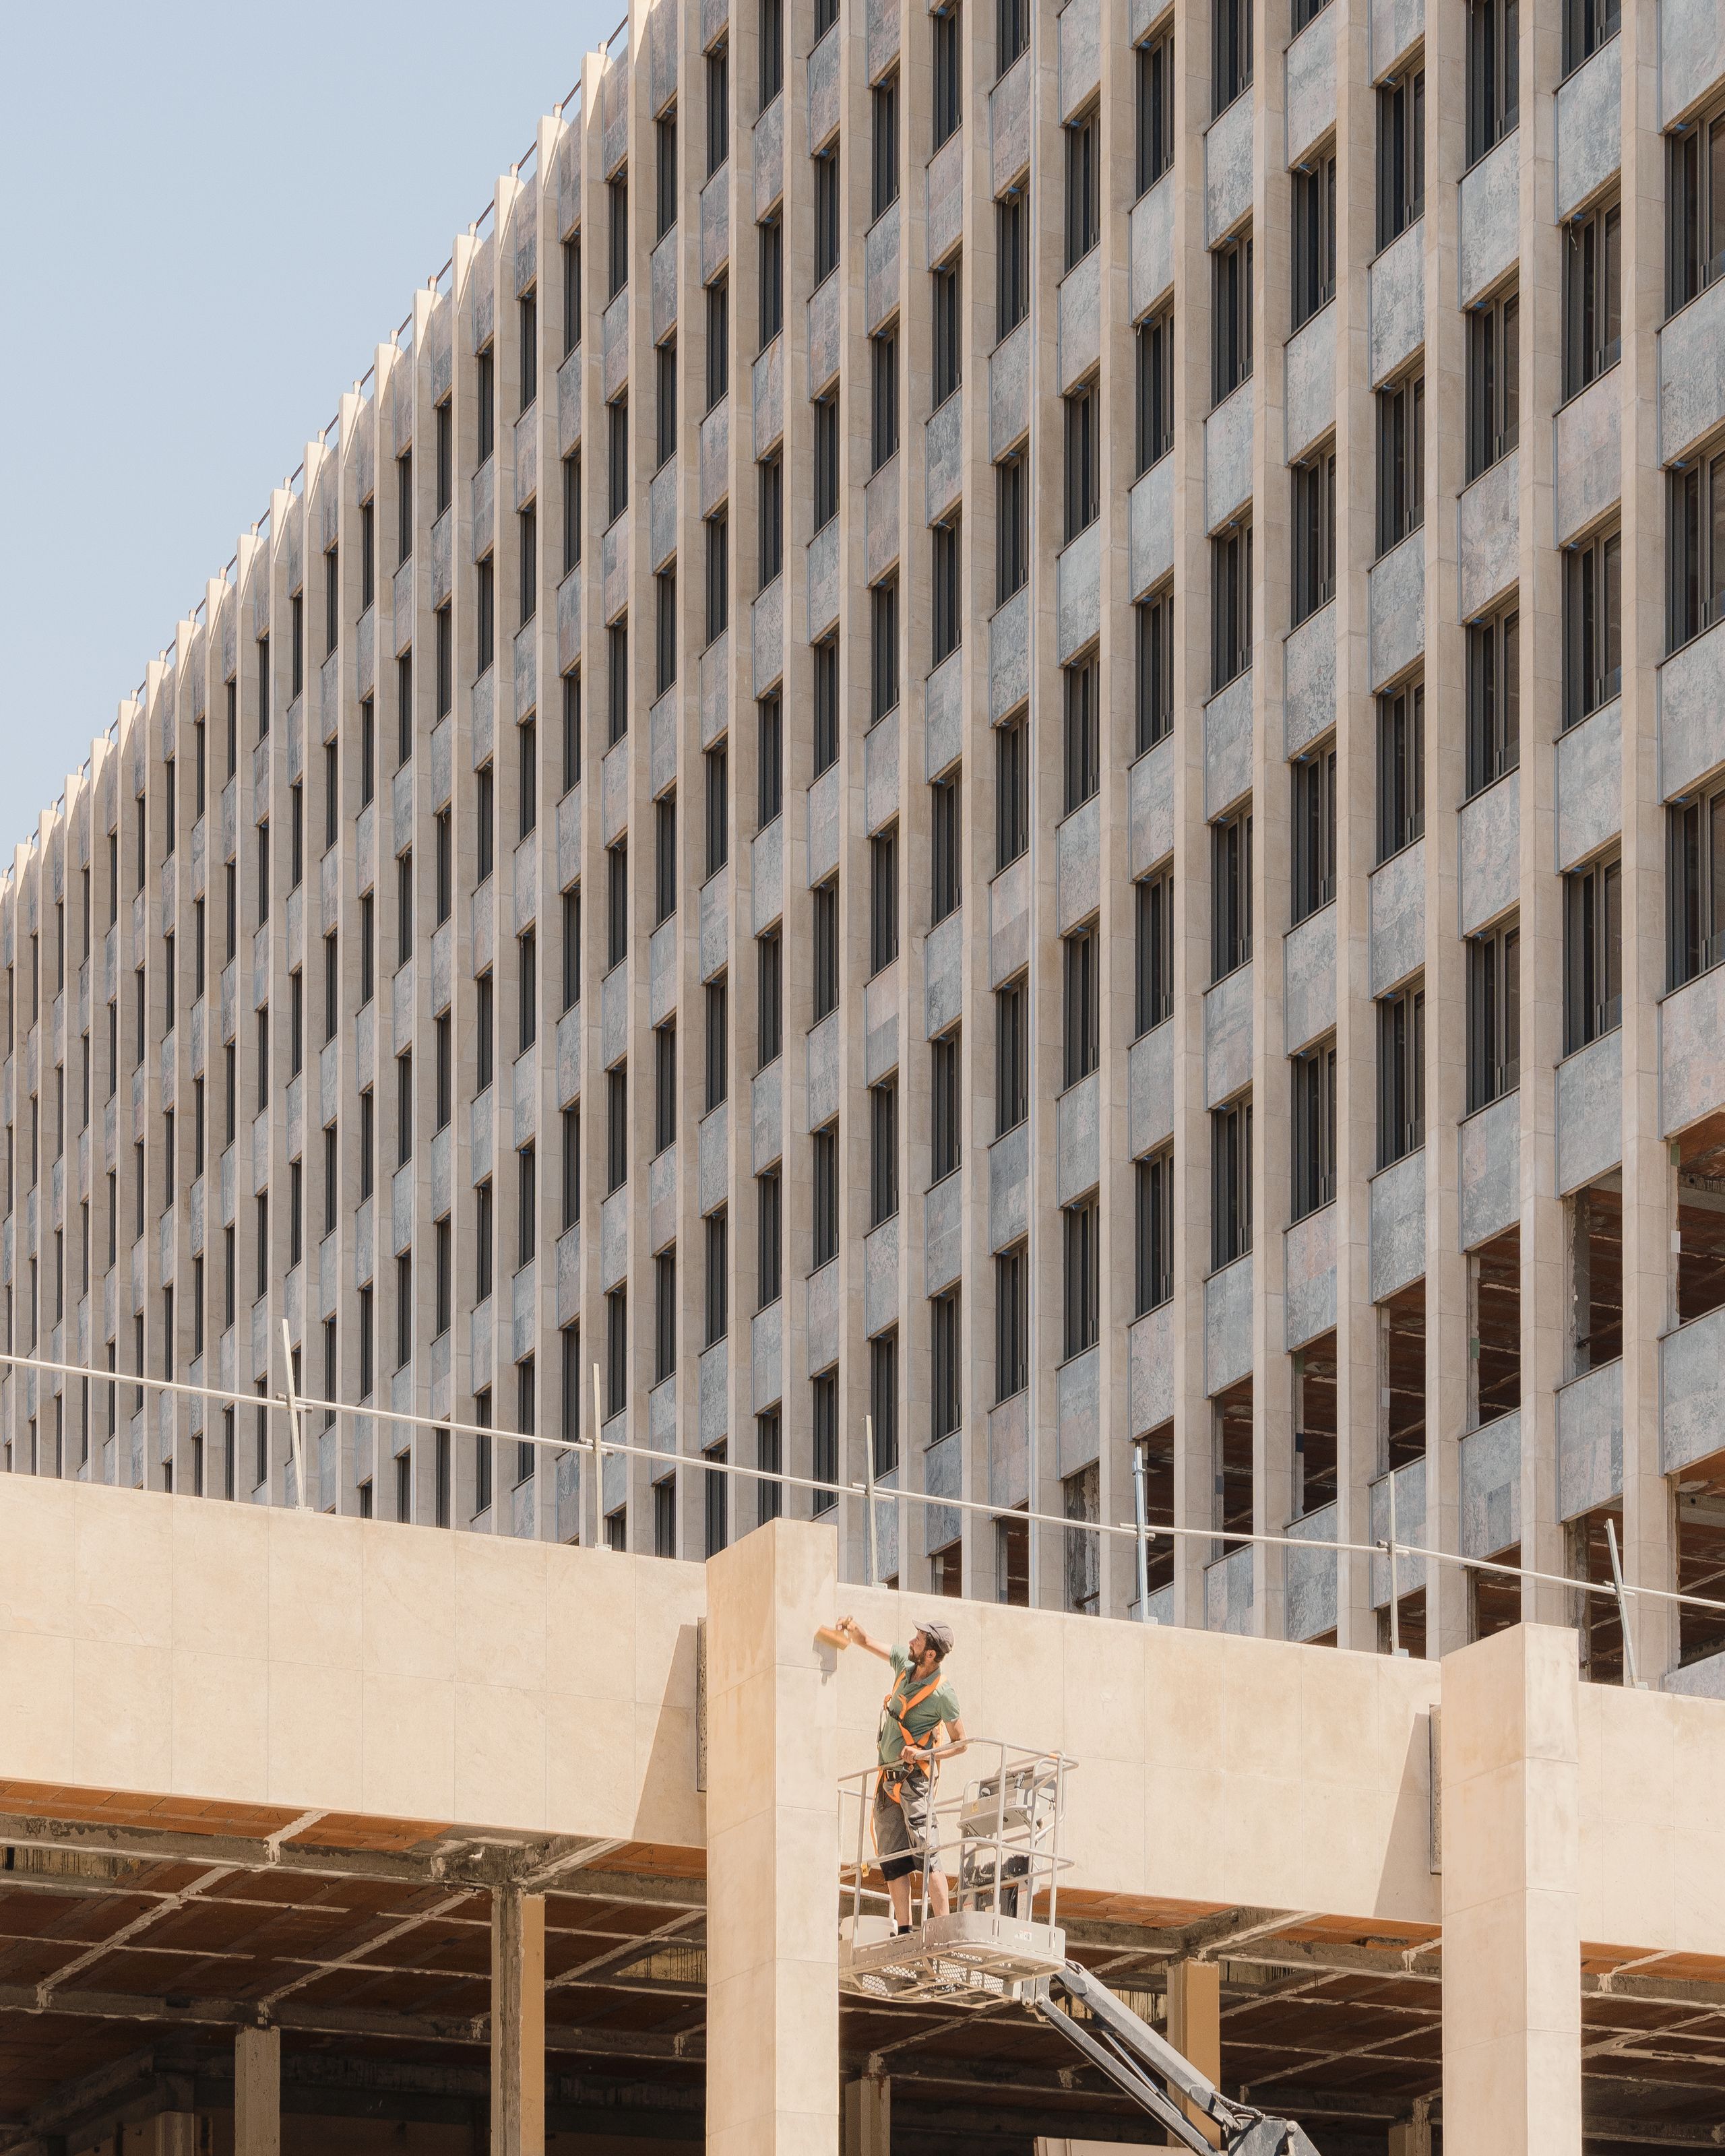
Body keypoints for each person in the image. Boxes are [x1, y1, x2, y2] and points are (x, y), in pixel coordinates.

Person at [837, 1615, 966, 1933]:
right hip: (887, 1780)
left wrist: (924, 1754)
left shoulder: (942, 1694)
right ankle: (906, 1929)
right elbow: (867, 1642)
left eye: (918, 1640)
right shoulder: (904, 1667)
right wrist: (855, 1630)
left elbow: (961, 1743)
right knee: (893, 1860)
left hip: (914, 1781)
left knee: (927, 1853)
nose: (911, 1643)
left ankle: (943, 1927)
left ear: (931, 1654)